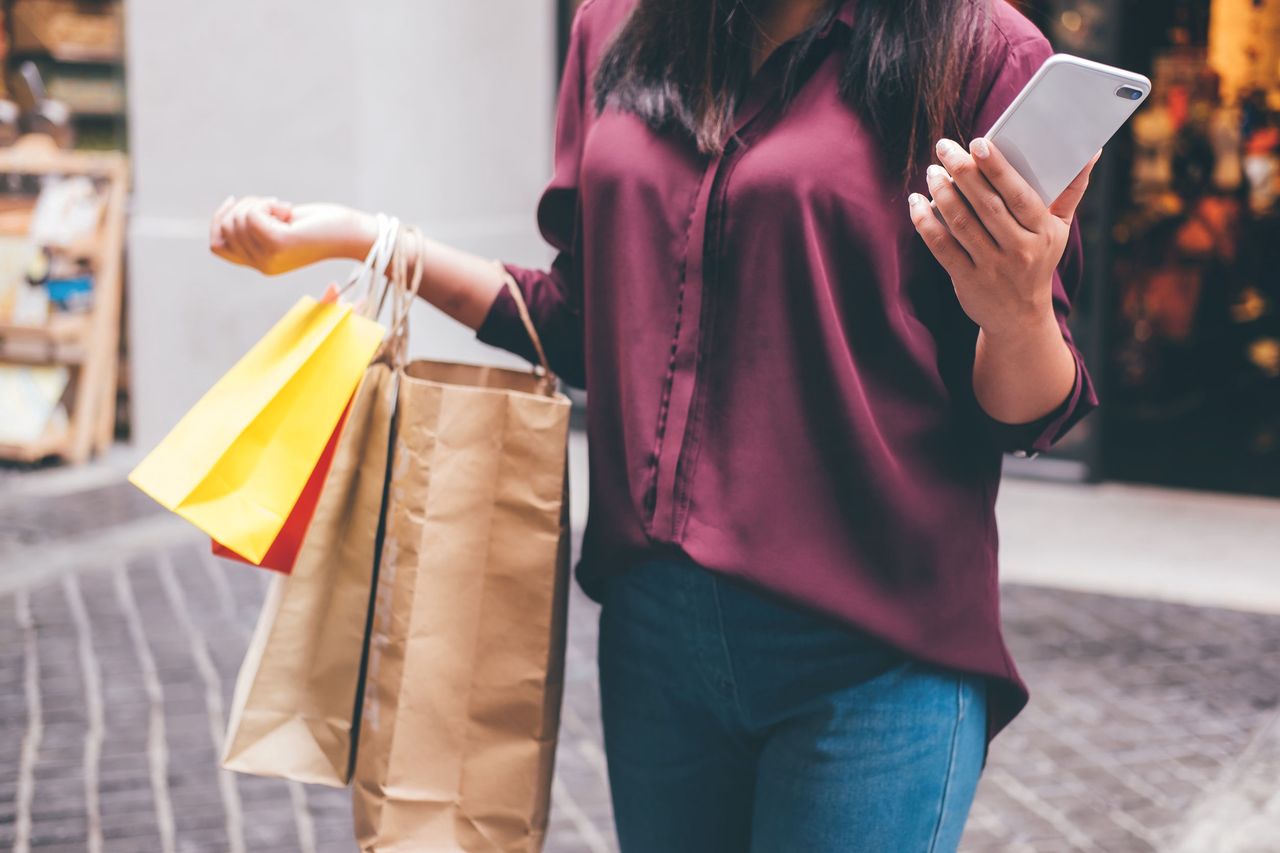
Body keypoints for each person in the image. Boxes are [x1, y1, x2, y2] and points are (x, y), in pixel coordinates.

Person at [210, 0, 1098, 849]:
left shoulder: (982, 52)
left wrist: (1015, 312)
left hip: (874, 656)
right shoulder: (616, 26)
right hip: (657, 642)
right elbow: (587, 324)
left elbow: (1030, 411)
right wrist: (365, 239)